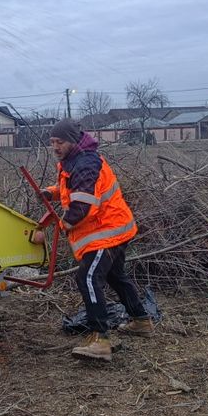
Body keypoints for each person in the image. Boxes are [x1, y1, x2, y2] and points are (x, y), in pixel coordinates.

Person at [36, 119, 152, 361]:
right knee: (115, 276)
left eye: (60, 142)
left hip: (106, 232)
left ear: (73, 141)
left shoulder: (86, 164)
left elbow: (81, 207)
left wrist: (61, 224)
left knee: (87, 277)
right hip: (115, 228)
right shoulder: (74, 160)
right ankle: (141, 321)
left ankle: (100, 339)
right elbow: (70, 188)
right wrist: (51, 192)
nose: (55, 147)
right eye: (52, 142)